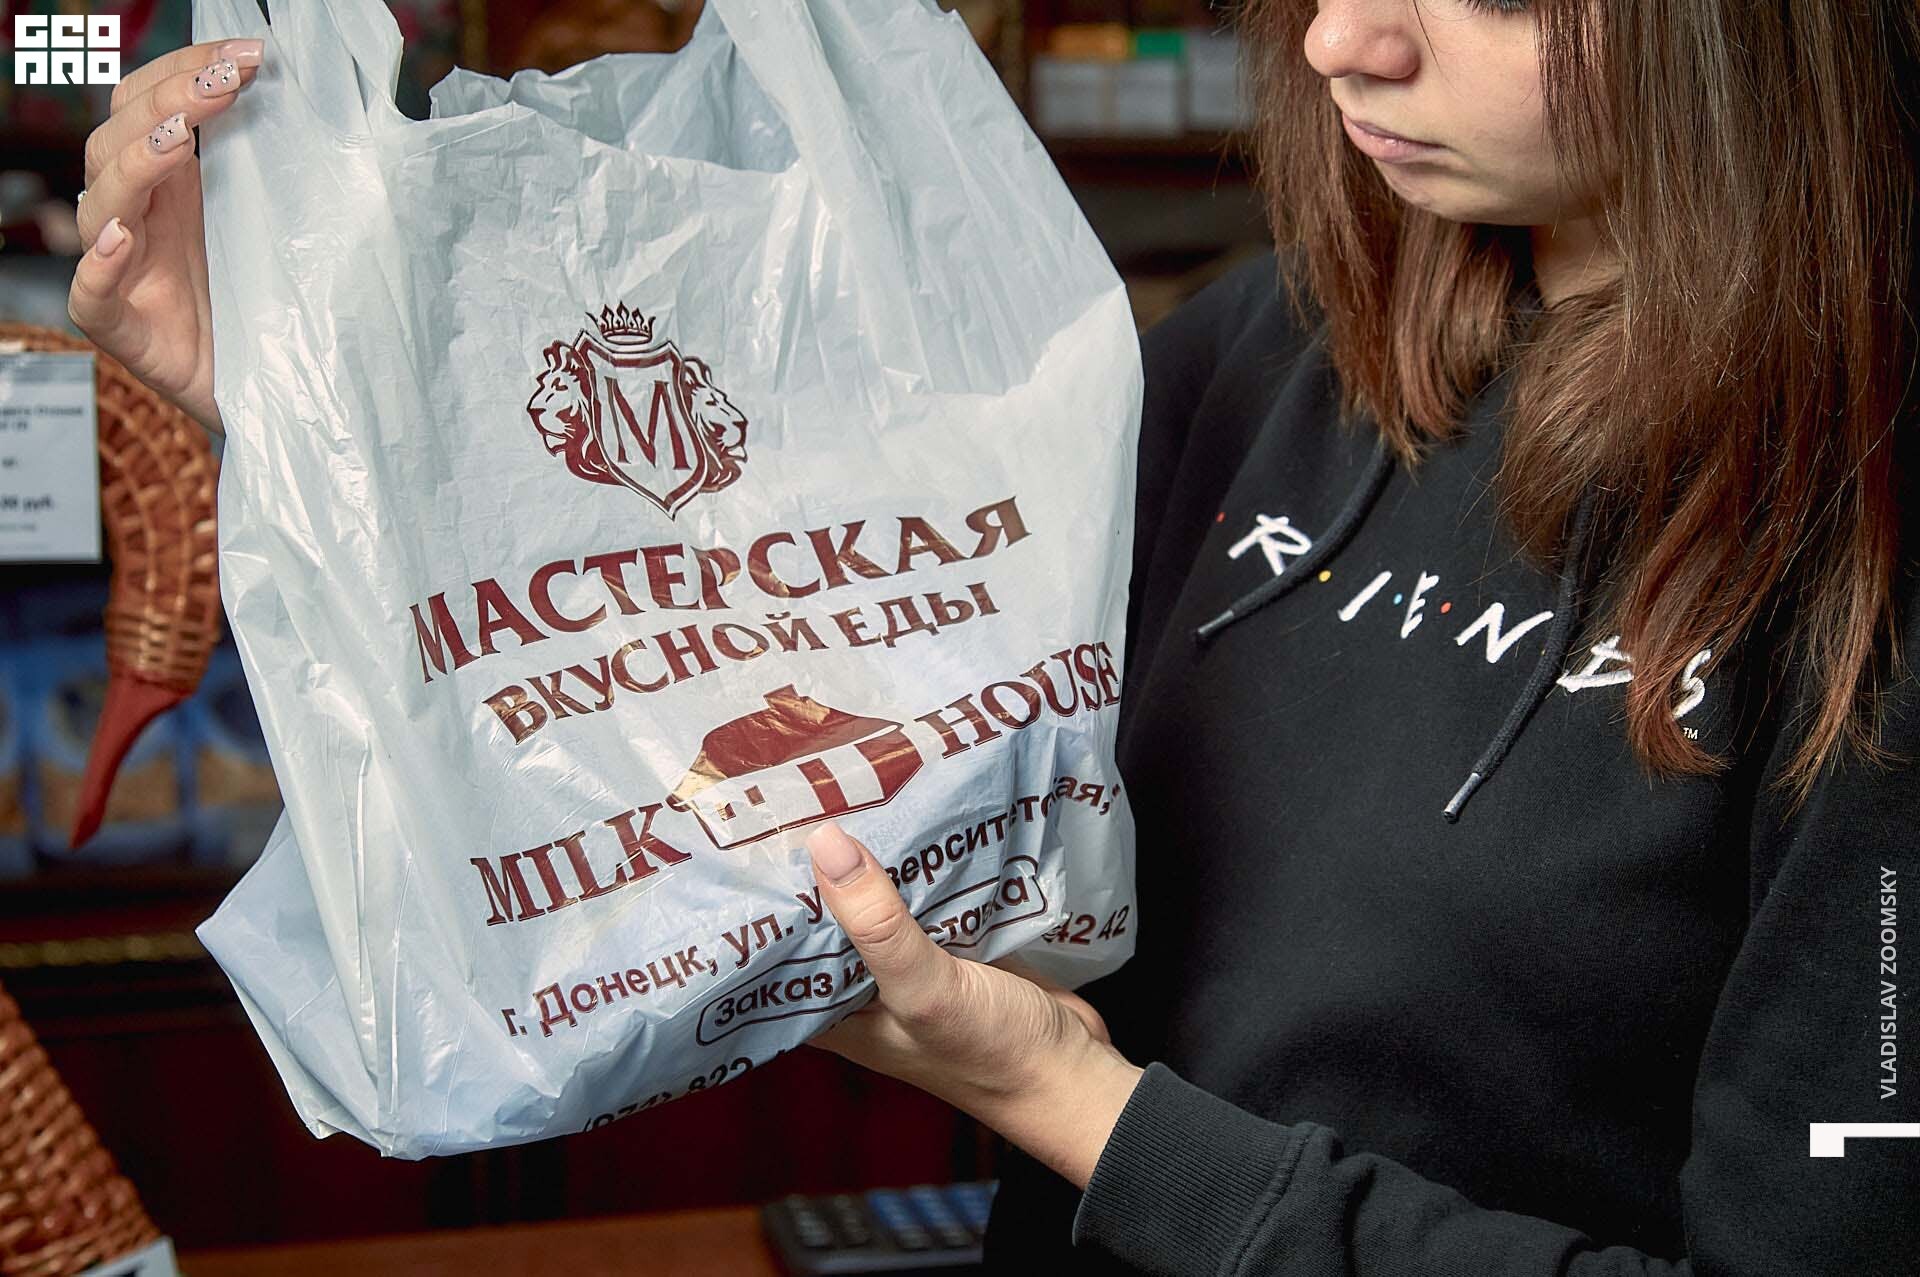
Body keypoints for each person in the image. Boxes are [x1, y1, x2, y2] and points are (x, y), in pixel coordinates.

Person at [67, 2, 1918, 1272]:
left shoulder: (1870, 556)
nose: (1345, 39)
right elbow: (756, 635)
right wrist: (327, 428)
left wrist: (1072, 1104)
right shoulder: (1270, 348)